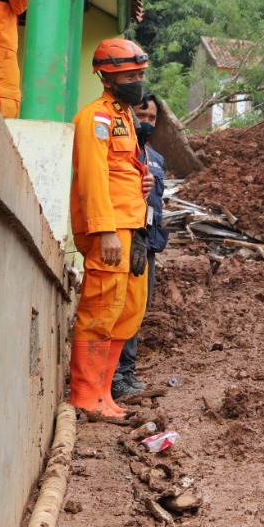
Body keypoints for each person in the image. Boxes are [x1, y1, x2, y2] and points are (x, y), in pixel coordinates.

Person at [68, 38, 153, 417]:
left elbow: (121, 172)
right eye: (129, 75)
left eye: (140, 74)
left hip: (133, 229)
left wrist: (144, 181)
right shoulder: (96, 118)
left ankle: (104, 394)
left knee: (126, 313)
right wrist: (102, 231)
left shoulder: (125, 118)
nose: (137, 81)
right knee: (100, 311)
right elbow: (92, 176)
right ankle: (85, 395)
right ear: (107, 77)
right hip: (111, 232)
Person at [112, 92, 169, 399]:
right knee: (120, 306)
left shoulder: (156, 159)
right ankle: (114, 376)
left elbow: (158, 202)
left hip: (148, 241)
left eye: (151, 119)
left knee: (139, 307)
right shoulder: (122, 153)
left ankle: (127, 371)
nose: (145, 123)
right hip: (125, 237)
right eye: (141, 115)